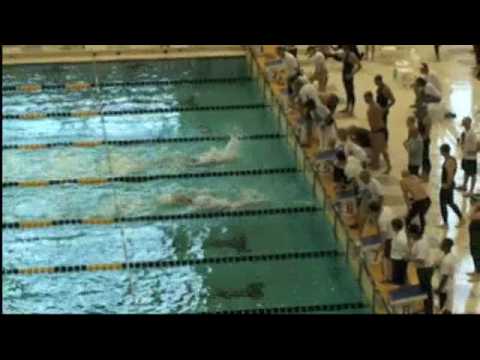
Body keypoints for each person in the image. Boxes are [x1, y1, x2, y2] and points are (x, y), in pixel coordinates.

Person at [409, 224, 435, 314]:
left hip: (425, 269)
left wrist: (409, 259)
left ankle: (429, 310)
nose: (409, 236)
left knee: (427, 290)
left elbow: (421, 260)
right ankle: (426, 307)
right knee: (424, 289)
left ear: (414, 234)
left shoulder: (421, 244)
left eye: (410, 234)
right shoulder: (420, 238)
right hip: (422, 269)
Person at [364, 91, 392, 174]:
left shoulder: (375, 107)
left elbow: (379, 117)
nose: (365, 100)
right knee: (377, 149)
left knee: (382, 150)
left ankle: (388, 166)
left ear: (370, 97)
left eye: (366, 98)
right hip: (375, 131)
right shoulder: (372, 106)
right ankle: (377, 164)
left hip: (379, 130)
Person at [438, 144, 465, 229]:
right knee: (450, 202)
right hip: (449, 184)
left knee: (443, 204)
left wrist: (447, 185)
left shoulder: (449, 161)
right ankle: (461, 218)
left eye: (441, 151)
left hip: (447, 185)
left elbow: (450, 174)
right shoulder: (451, 159)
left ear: (443, 151)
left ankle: (446, 224)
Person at [368, 201, 395, 281]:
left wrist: (377, 251)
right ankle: (390, 276)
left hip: (391, 238)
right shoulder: (387, 208)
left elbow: (384, 240)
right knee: (389, 258)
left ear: (373, 211)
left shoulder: (381, 221)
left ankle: (388, 278)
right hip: (397, 233)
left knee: (385, 259)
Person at [400, 170, 432, 235]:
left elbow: (405, 195)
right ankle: (421, 232)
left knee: (408, 219)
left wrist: (408, 206)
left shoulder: (403, 181)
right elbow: (424, 180)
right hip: (427, 200)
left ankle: (407, 232)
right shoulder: (414, 177)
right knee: (421, 215)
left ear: (402, 176)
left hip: (420, 202)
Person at [457, 117, 478, 197]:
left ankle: (471, 191)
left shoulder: (472, 133)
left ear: (469, 123)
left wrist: (474, 152)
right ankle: (464, 185)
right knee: (466, 171)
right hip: (465, 156)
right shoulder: (464, 132)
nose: (463, 123)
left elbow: (478, 144)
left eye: (464, 122)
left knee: (472, 174)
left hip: (471, 157)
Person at [339, 45, 362, 116]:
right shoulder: (343, 54)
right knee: (347, 91)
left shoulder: (352, 55)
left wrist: (351, 74)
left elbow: (359, 66)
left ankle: (352, 109)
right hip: (344, 74)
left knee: (351, 92)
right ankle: (347, 107)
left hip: (349, 75)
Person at [435, 238, 456, 314]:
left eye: (442, 243)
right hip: (450, 285)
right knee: (447, 306)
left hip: (445, 288)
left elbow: (444, 277)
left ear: (446, 246)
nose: (440, 244)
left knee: (444, 308)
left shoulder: (446, 260)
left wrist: (439, 289)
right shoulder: (450, 256)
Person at [374, 75, 396, 141]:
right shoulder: (379, 87)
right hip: (379, 109)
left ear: (380, 80)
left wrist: (385, 109)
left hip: (383, 110)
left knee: (383, 126)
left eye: (376, 82)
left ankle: (385, 140)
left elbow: (393, 100)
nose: (375, 83)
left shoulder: (386, 89)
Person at [390, 218, 409, 285]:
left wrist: (405, 257)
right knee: (397, 276)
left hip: (400, 259)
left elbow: (405, 249)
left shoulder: (401, 238)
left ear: (395, 227)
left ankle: (402, 287)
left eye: (392, 226)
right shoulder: (398, 234)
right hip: (397, 257)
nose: (392, 228)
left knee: (400, 277)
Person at [469, 204, 480, 282]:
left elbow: (471, 216)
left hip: (477, 238)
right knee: (473, 253)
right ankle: (476, 270)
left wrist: (475, 207)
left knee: (477, 254)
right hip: (474, 236)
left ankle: (478, 274)